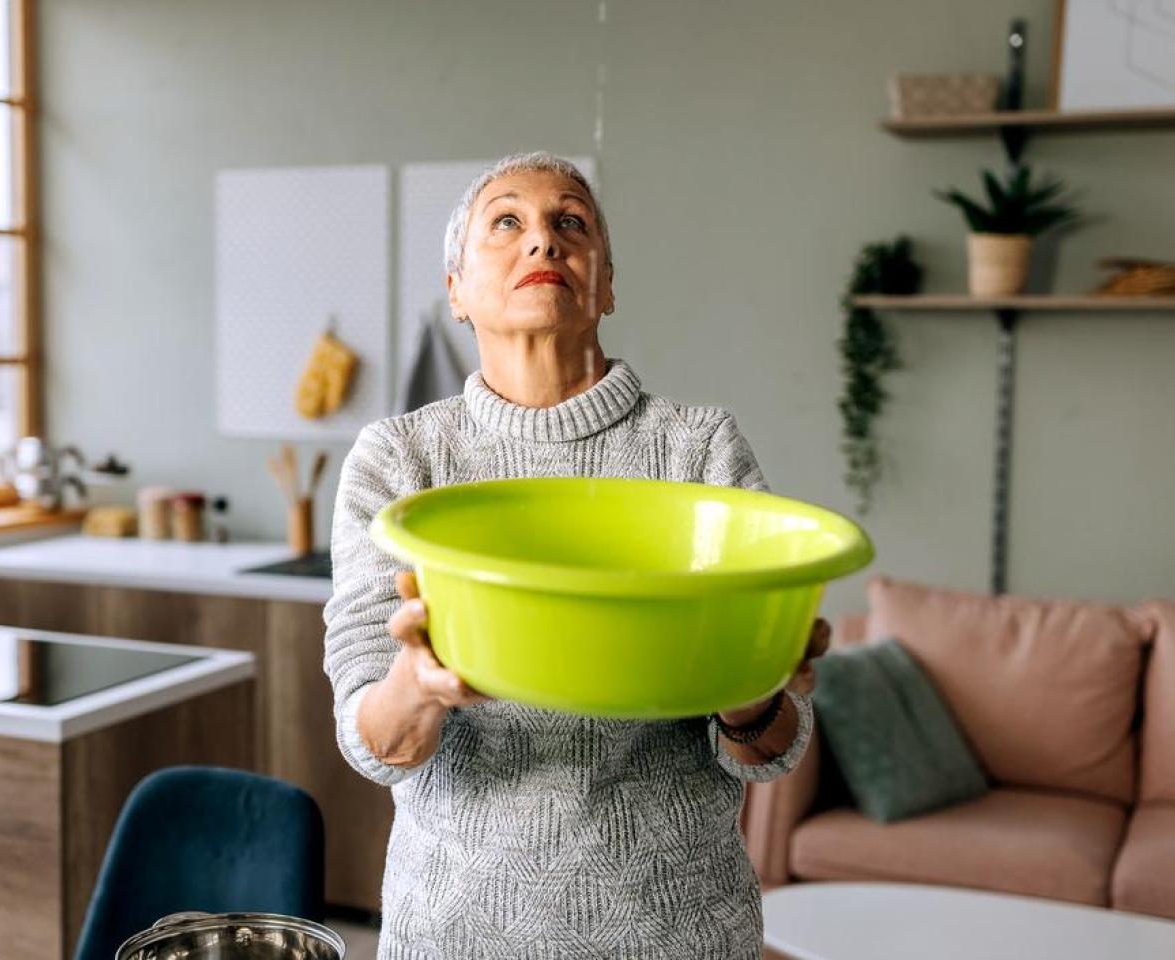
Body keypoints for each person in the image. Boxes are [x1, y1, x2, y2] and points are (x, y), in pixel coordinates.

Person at [322, 151, 830, 958]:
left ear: (607, 283)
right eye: (507, 223)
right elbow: (373, 741)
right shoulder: (400, 460)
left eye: (571, 223)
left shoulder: (697, 450)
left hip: (677, 933)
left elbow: (772, 748)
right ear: (455, 289)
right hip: (456, 934)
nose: (542, 243)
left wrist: (749, 689)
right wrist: (419, 683)